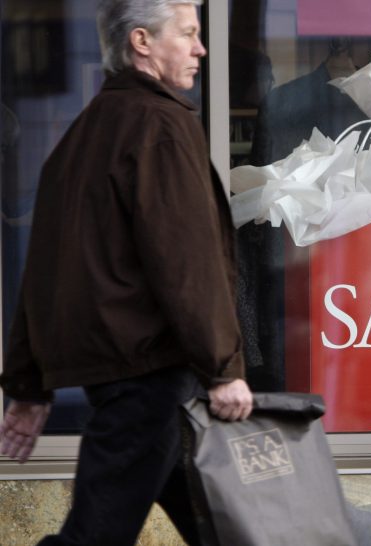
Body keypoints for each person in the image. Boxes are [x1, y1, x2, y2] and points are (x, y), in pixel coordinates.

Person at [0, 1, 253, 544]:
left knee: (228, 526)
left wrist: (27, 385)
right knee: (97, 535)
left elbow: (41, 273)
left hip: (125, 375)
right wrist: (223, 367)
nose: (201, 49)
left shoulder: (81, 136)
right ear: (142, 42)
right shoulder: (159, 126)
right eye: (187, 34)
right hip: (150, 376)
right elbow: (187, 261)